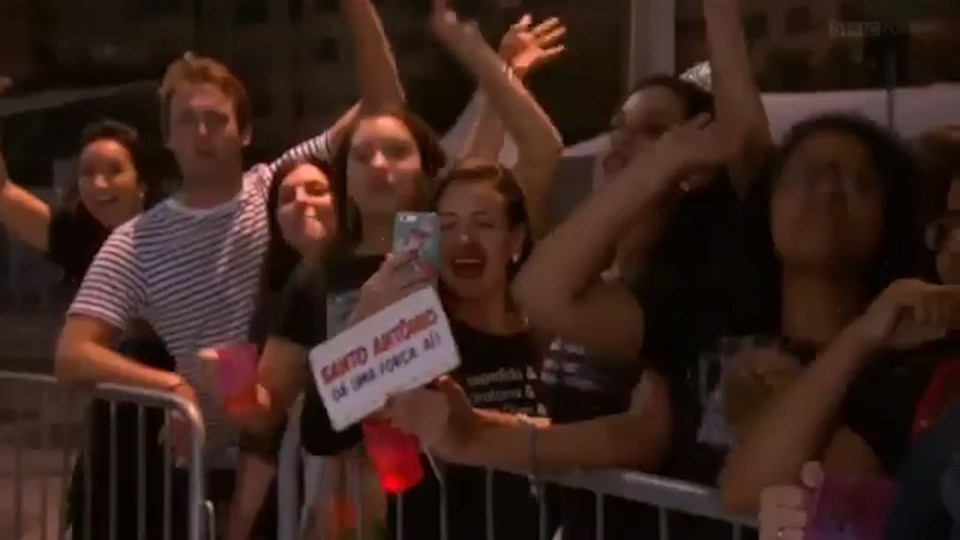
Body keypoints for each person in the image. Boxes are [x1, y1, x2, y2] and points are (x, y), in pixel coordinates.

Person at [53, 53, 347, 539]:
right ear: (168, 137)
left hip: (292, 457)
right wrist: (171, 389)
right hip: (196, 466)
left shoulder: (279, 190)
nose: (203, 132)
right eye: (188, 120)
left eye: (216, 119)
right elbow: (72, 353)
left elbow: (381, 109)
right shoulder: (135, 241)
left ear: (244, 131)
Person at [718, 113, 942, 515]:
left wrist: (858, 339)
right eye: (806, 174)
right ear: (766, 203)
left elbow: (752, 491)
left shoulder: (905, 371)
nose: (829, 192)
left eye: (859, 181)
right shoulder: (719, 333)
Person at [0, 119, 163, 286]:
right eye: (88, 173)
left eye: (114, 171)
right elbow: (3, 193)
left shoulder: (173, 235)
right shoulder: (80, 239)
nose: (99, 184)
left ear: (141, 182)